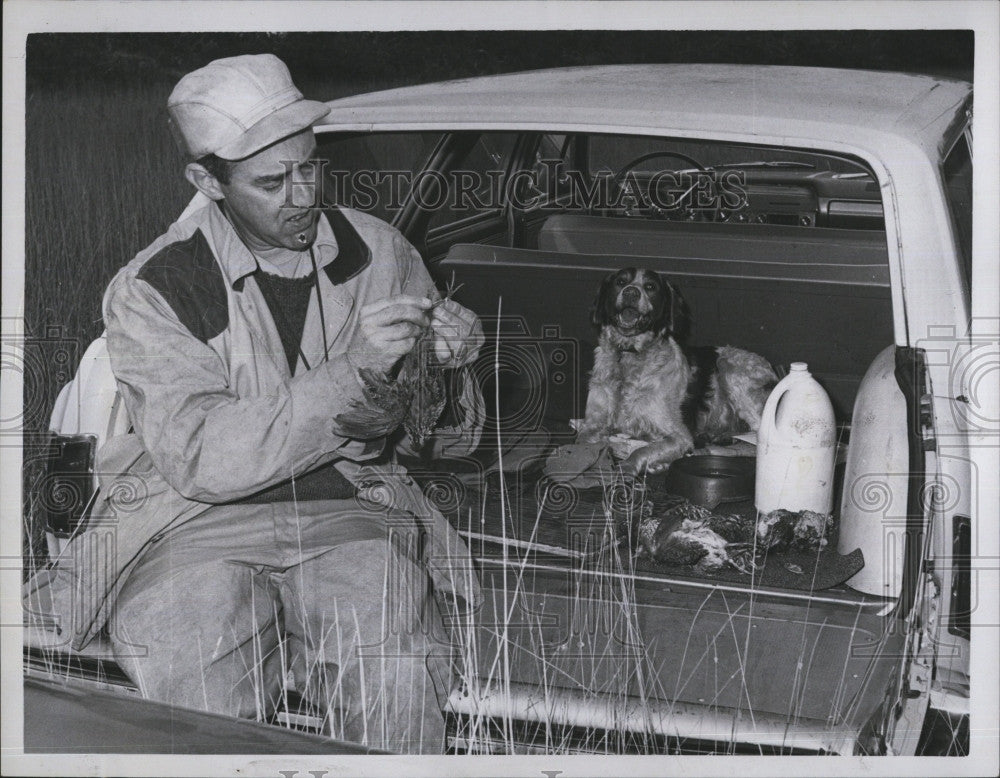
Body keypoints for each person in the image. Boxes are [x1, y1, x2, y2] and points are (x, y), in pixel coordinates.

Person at [25, 53, 484, 754]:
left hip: (351, 510)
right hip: (185, 525)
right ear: (206, 181)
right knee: (196, 685)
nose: (302, 196)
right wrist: (355, 368)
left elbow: (435, 441)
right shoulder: (155, 286)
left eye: (311, 167)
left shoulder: (383, 251)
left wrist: (449, 368)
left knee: (394, 667)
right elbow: (204, 459)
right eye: (272, 182)